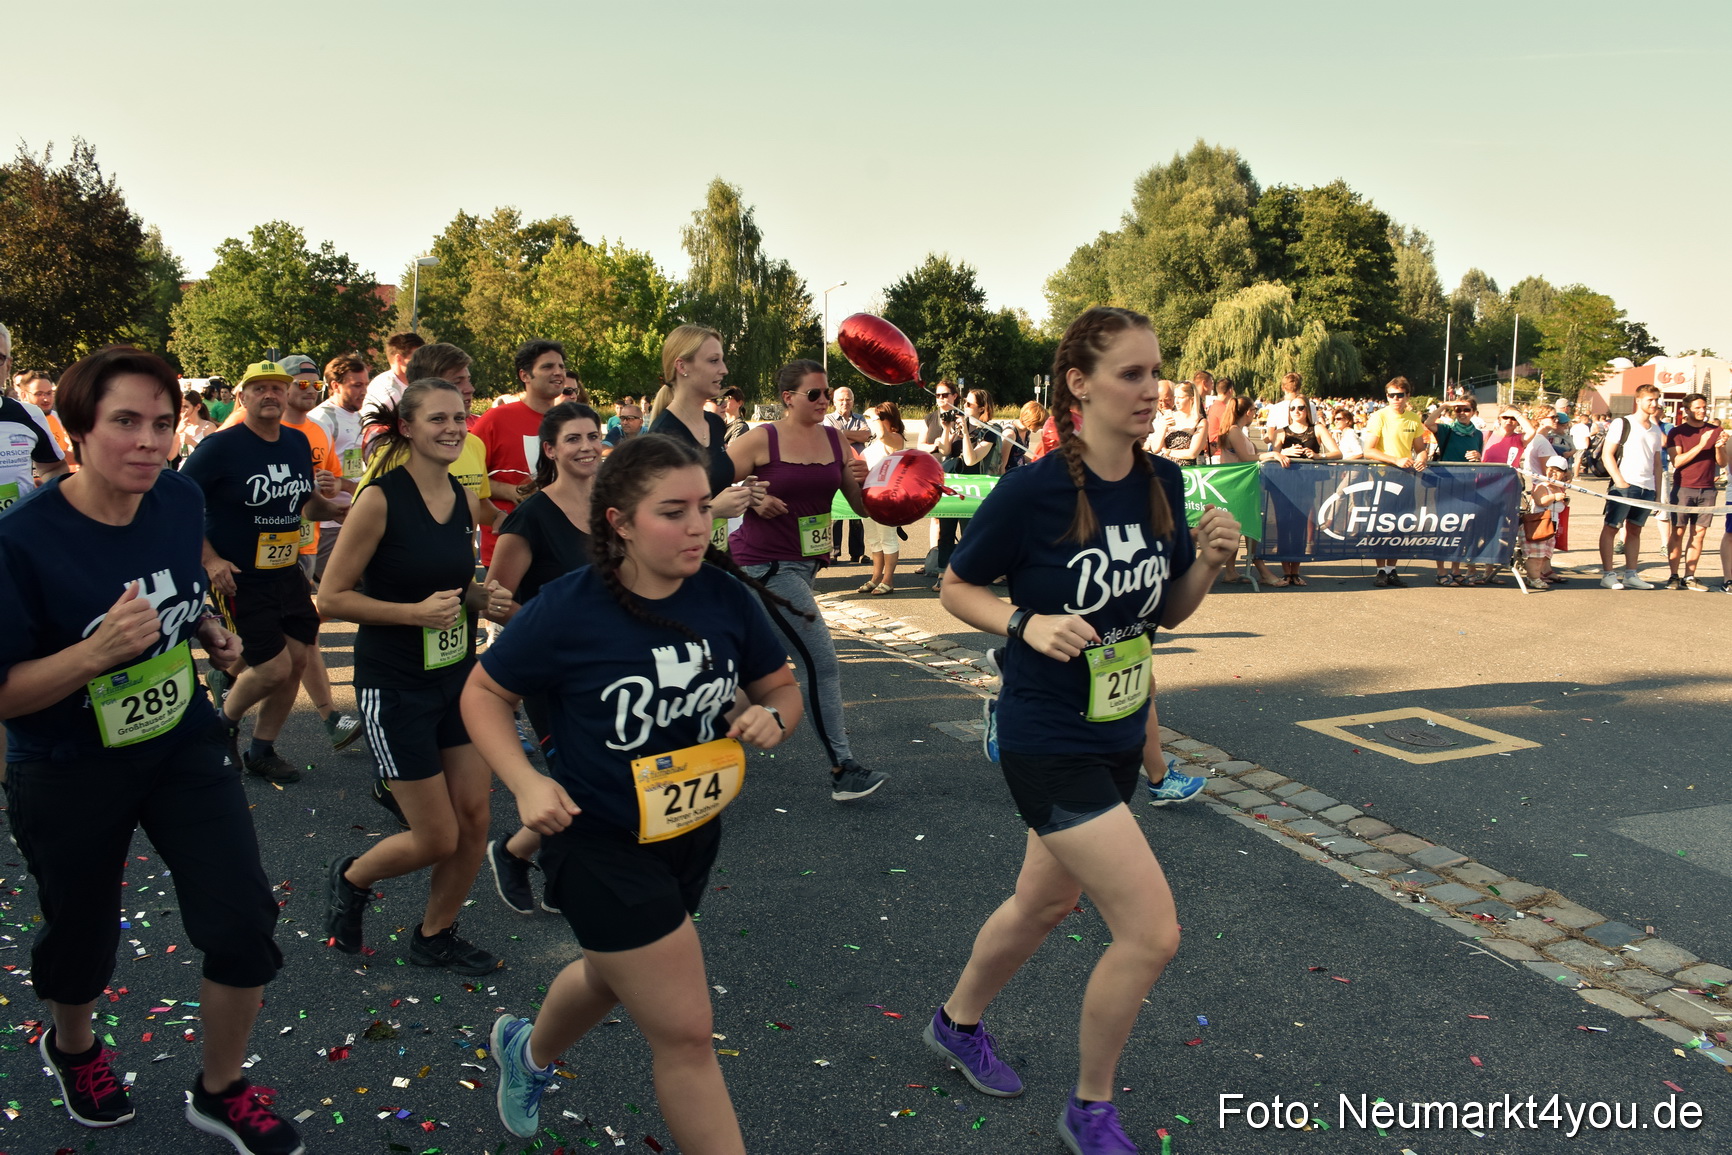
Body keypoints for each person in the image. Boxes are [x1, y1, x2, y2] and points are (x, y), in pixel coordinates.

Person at [928, 307, 1236, 1155]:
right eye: (1131, 373)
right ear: (1079, 384)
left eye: (1156, 372)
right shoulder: (1034, 490)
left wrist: (1210, 563)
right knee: (1151, 932)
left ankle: (956, 1023)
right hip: (1045, 736)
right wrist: (1023, 621)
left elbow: (1167, 611)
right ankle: (1089, 1108)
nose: (1152, 389)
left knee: (1043, 901)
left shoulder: (1161, 479)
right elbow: (954, 586)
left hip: (1117, 731)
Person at [462, 435, 802, 1153]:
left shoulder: (724, 596)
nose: (697, 526)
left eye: (703, 508)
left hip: (689, 831)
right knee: (686, 1033)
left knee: (610, 974)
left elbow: (780, 686)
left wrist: (772, 717)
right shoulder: (568, 607)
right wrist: (526, 781)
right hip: (595, 840)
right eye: (672, 512)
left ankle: (525, 1052)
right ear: (619, 522)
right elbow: (484, 692)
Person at [0, 345, 301, 1153]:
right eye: (125, 421)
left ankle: (221, 1089)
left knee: (242, 919)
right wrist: (92, 655)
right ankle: (72, 1046)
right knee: (82, 931)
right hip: (66, 762)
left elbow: (179, 587)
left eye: (163, 423)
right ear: (77, 429)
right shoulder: (21, 540)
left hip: (180, 740)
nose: (148, 441)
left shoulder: (175, 496)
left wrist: (204, 628)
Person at [318, 378, 512, 975]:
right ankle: (352, 877)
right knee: (435, 837)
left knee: (474, 820)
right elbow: (331, 598)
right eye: (438, 419)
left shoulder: (460, 494)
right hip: (395, 684)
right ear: (407, 427)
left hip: (457, 678)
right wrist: (412, 614)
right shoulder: (379, 499)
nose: (454, 428)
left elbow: (452, 585)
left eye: (460, 417)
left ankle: (435, 934)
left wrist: (483, 598)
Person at [182, 361, 346, 781]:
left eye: (277, 387)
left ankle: (262, 749)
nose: (270, 394)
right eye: (260, 388)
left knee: (296, 661)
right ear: (242, 397)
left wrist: (338, 511)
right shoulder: (220, 447)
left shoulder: (295, 442)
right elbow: (178, 505)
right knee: (272, 667)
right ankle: (220, 726)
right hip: (238, 576)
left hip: (287, 570)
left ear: (287, 394)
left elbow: (305, 503)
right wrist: (210, 560)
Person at [728, 360, 884, 801]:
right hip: (763, 567)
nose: (823, 400)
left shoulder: (835, 440)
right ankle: (843, 769)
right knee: (821, 662)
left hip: (804, 566)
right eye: (814, 394)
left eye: (826, 392)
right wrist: (750, 496)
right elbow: (701, 487)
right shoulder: (762, 438)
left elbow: (861, 507)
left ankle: (705, 741)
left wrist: (873, 482)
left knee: (745, 667)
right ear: (788, 397)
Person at [481, 401, 603, 914]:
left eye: (593, 436)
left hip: (608, 664)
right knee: (578, 777)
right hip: (552, 672)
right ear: (550, 450)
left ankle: (521, 855)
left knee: (600, 774)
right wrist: (552, 633)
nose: (587, 447)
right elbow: (494, 598)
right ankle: (537, 867)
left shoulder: (613, 506)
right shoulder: (530, 518)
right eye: (573, 439)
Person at [470, 340, 570, 566]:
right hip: (506, 549)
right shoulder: (495, 420)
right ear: (525, 375)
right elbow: (467, 480)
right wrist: (510, 491)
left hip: (558, 548)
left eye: (561, 366)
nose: (558, 372)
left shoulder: (570, 420)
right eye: (547, 366)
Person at [1262, 393, 1339, 587]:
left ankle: (1295, 572)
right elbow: (1272, 455)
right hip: (1281, 484)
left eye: (1301, 408)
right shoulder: (1281, 432)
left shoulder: (1317, 429)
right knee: (1283, 525)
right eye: (1293, 408)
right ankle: (1285, 572)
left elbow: (1337, 453)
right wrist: (1283, 452)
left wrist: (1317, 456)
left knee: (1300, 526)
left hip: (1305, 484)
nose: (1296, 411)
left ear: (1307, 410)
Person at [1360, 377, 1431, 587]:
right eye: (1391, 395)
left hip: (1406, 477)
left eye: (1400, 395)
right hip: (1383, 477)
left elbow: (1420, 449)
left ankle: (1391, 570)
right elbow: (1368, 450)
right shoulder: (1379, 416)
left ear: (1407, 396)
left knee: (1401, 525)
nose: (1395, 399)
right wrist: (1395, 460)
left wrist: (1422, 458)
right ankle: (1380, 570)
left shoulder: (1413, 418)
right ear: (1387, 396)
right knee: (1382, 525)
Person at [308, 353, 370, 579]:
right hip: (330, 523)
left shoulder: (360, 416)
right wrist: (346, 486)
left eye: (366, 384)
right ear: (335, 386)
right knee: (337, 586)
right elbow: (314, 477)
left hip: (355, 515)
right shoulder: (321, 419)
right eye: (356, 385)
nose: (364, 391)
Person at [1599, 384, 1664, 590]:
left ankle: (1631, 574)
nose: (1654, 403)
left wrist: (1658, 493)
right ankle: (1608, 574)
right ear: (1638, 400)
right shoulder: (1623, 423)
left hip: (1647, 487)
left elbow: (1657, 463)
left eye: (1656, 399)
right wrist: (1619, 480)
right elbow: (1607, 454)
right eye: (1650, 399)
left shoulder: (1655, 429)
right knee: (1612, 527)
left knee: (1635, 530)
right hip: (1625, 484)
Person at [1662, 392, 1721, 591]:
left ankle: (1690, 576)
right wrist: (1702, 444)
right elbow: (1677, 461)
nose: (1702, 411)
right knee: (1678, 531)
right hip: (1683, 488)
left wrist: (1718, 446)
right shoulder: (1677, 432)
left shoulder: (1715, 430)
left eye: (1704, 407)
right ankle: (1673, 575)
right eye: (1697, 408)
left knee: (1699, 534)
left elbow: (1722, 462)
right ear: (1686, 410)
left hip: (1707, 490)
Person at [1427, 401, 1483, 586]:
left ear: (1473, 412)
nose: (1462, 413)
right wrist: (1445, 405)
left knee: (1462, 528)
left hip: (1467, 485)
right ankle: (1441, 571)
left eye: (1466, 409)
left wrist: (1478, 457)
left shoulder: (1478, 434)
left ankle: (1456, 570)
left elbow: (1479, 458)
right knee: (1444, 528)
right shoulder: (1447, 430)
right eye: (1458, 409)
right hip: (1446, 484)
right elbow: (1428, 423)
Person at [857, 402, 907, 595]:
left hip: (886, 497)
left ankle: (888, 579)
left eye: (880, 418)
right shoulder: (875, 441)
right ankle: (876, 577)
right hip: (868, 495)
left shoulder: (895, 438)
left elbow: (884, 435)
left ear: (890, 420)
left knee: (887, 538)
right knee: (874, 539)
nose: (874, 422)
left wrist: (874, 415)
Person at [917, 381, 966, 577]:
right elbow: (920, 445)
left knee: (955, 520)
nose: (940, 399)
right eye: (937, 395)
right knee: (935, 518)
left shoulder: (962, 418)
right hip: (934, 471)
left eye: (945, 395)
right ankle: (934, 559)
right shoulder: (930, 418)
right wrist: (934, 446)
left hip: (956, 474)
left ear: (955, 396)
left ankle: (955, 564)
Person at [825, 386, 872, 564]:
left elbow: (866, 435)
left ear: (853, 401)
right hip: (836, 469)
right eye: (841, 400)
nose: (845, 403)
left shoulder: (860, 418)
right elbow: (831, 438)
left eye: (848, 399)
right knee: (837, 513)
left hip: (858, 468)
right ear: (834, 402)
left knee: (857, 513)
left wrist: (843, 435)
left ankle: (857, 552)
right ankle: (834, 552)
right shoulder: (827, 419)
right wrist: (853, 436)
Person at [1522, 456, 1571, 588]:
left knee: (1546, 554)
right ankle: (1533, 578)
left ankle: (1543, 573)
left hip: (1552, 526)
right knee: (1536, 556)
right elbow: (1540, 502)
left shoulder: (1560, 487)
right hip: (1539, 526)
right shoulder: (1541, 486)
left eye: (1557, 471)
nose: (1553, 473)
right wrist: (1554, 497)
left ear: (1564, 473)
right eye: (1550, 469)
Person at [362, 331, 425, 414]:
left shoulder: (420, 384)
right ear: (399, 359)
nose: (422, 363)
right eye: (416, 359)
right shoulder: (386, 390)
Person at [174, 388, 217, 464]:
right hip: (183, 469)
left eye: (186, 407)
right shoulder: (180, 426)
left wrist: (191, 442)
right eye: (180, 406)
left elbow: (213, 455)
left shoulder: (209, 427)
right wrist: (177, 433)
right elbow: (170, 456)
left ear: (198, 407)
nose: (182, 410)